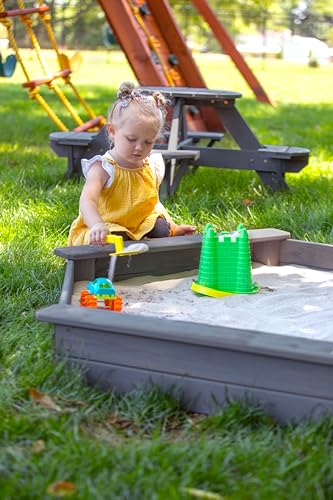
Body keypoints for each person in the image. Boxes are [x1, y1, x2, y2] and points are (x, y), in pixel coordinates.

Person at [68, 81, 196, 246]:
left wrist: (173, 227)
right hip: (106, 226)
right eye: (131, 139)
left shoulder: (150, 166)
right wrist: (97, 224)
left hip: (140, 224)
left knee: (161, 227)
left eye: (148, 142)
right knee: (117, 238)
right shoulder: (103, 168)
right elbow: (87, 201)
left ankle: (160, 238)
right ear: (113, 131)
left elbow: (153, 205)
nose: (139, 148)